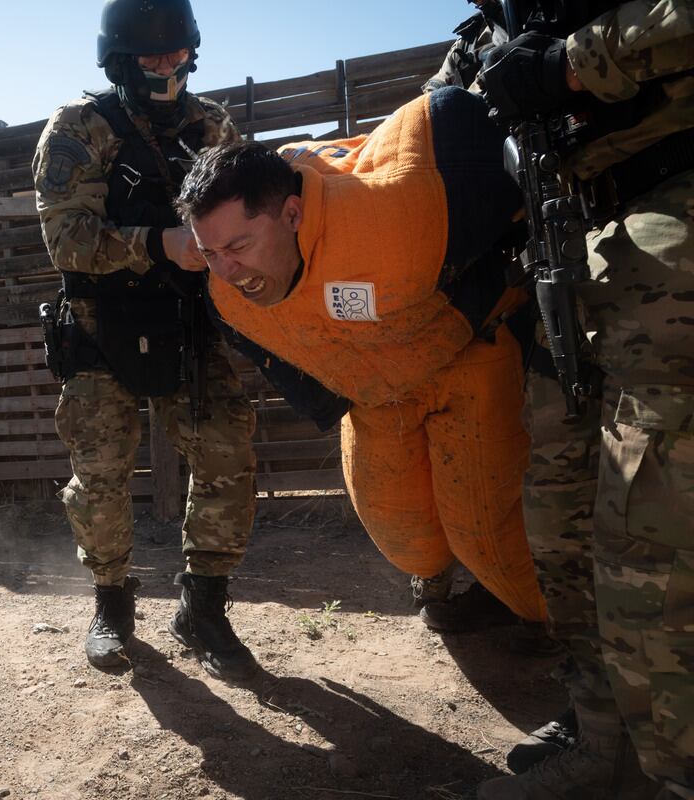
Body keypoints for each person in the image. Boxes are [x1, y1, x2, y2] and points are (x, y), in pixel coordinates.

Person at [173, 88, 550, 639]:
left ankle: (550, 624)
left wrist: (479, 320)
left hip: (467, 356)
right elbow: (295, 366)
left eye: (240, 246)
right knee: (404, 536)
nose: (226, 269)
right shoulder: (228, 298)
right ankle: (440, 582)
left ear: (293, 213)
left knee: (485, 533)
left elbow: (510, 223)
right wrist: (355, 389)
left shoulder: (399, 217)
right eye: (210, 253)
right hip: (381, 391)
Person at [475, 1, 694, 798]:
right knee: (560, 520)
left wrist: (573, 63)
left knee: (654, 541)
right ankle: (604, 740)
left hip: (675, 214)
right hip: (572, 263)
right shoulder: (492, 23)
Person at [32, 0, 259, 681]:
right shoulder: (77, 127)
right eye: (150, 60)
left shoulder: (212, 123)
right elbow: (65, 238)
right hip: (102, 325)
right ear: (120, 61)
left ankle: (204, 608)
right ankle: (111, 604)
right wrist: (157, 244)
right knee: (100, 476)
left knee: (226, 453)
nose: (167, 69)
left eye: (176, 56)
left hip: (191, 319)